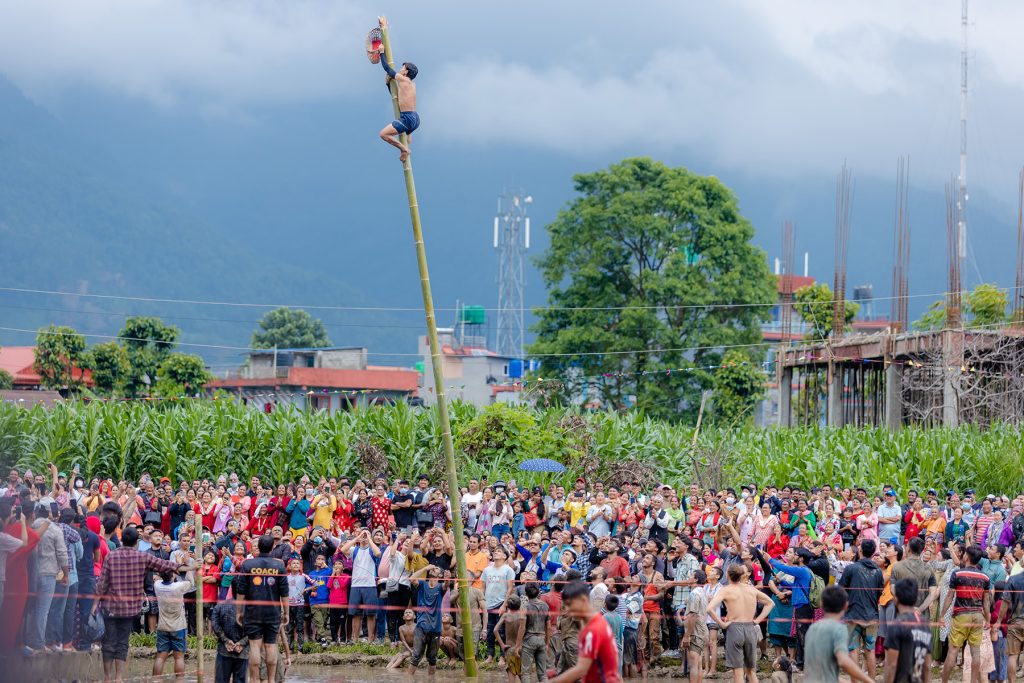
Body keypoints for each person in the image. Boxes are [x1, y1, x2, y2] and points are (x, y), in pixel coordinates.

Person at [94, 525, 188, 682]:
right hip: (129, 610)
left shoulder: (111, 556)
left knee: (109, 643)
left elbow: (102, 584)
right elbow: (164, 565)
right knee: (122, 643)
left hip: (110, 608)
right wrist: (186, 566)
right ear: (136, 541)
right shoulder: (142, 557)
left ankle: (107, 678)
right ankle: (118, 678)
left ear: (122, 540)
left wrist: (94, 605)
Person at [705, 563, 775, 683]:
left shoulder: (726, 590)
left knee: (738, 673)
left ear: (727, 575)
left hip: (734, 628)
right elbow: (770, 603)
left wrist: (722, 624)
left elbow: (709, 608)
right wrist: (757, 620)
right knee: (751, 671)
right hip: (750, 628)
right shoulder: (751, 589)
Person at [233, 534, 289, 683]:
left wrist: (238, 612)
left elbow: (240, 591)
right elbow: (284, 592)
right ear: (272, 547)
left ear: (258, 547)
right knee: (271, 646)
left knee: (254, 646)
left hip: (253, 612)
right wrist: (287, 613)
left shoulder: (247, 564)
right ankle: (271, 680)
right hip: (273, 612)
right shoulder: (279, 566)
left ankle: (255, 679)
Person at [547, 580, 621, 683]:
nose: (567, 609)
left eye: (569, 604)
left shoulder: (593, 629)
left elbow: (581, 670)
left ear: (583, 600)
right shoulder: (595, 623)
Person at [942, 545, 993, 683]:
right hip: (977, 616)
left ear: (966, 557)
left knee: (953, 651)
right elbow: (986, 601)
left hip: (961, 616)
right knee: (976, 653)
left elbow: (949, 596)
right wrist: (988, 620)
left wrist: (942, 615)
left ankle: (944, 681)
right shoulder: (985, 577)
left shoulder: (957, 574)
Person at [803, 585, 875, 683]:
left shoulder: (812, 629)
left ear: (821, 604)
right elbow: (843, 660)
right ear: (846, 605)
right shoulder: (839, 629)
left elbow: (823, 671)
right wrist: (869, 680)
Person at [838, 539, 885, 679]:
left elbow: (840, 590)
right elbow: (879, 593)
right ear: (873, 553)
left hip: (853, 615)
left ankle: (855, 681)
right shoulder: (878, 571)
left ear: (860, 551)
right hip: (872, 615)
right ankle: (871, 680)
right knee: (870, 651)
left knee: (853, 650)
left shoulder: (851, 568)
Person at [375, 16, 419, 162]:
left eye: (403, 67)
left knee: (383, 134)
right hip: (415, 118)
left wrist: (382, 52)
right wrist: (388, 84)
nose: (401, 69)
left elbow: (387, 68)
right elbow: (398, 98)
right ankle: (408, 139)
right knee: (405, 132)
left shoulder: (403, 79)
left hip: (407, 118)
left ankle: (404, 149)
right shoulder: (411, 84)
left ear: (406, 72)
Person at [883, 578, 932, 683]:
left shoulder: (896, 625)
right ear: (915, 599)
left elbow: (891, 665)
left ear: (896, 599)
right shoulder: (924, 624)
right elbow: (927, 666)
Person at [341, 528, 381, 644]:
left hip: (370, 585)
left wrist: (369, 538)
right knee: (355, 614)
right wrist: (358, 538)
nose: (365, 535)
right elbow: (343, 549)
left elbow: (378, 553)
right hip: (356, 585)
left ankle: (370, 640)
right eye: (363, 533)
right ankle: (355, 639)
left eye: (367, 533)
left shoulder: (372, 549)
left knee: (370, 614)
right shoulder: (355, 549)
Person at [153, 569, 194, 680]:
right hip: (178, 627)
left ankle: (156, 680)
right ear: (173, 576)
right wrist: (189, 568)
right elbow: (191, 582)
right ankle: (179, 680)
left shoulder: (157, 586)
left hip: (162, 626)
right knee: (179, 657)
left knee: (160, 657)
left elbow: (157, 578)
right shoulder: (178, 587)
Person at [408, 563, 445, 676]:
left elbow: (447, 585)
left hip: (435, 628)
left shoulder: (441, 587)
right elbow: (412, 579)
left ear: (440, 575)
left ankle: (431, 680)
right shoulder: (422, 584)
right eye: (433, 568)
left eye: (436, 568)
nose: (433, 568)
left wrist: (448, 578)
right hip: (421, 627)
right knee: (415, 657)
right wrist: (425, 568)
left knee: (432, 659)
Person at [211, 598, 249, 683]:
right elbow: (255, 629)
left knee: (221, 681)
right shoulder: (251, 608)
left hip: (225, 650)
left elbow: (215, 625)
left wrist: (226, 640)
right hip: (242, 652)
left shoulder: (220, 606)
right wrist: (242, 642)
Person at [520, 583, 550, 682]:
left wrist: (517, 645)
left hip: (529, 639)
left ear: (526, 593)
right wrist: (547, 643)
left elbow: (522, 628)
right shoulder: (545, 606)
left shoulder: (525, 606)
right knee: (543, 674)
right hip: (541, 640)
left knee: (525, 673)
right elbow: (548, 626)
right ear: (538, 593)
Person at [494, 594, 525, 683]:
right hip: (521, 648)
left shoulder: (505, 616)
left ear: (507, 605)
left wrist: (502, 645)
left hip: (510, 649)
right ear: (519, 605)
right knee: (523, 674)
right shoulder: (522, 616)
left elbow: (495, 630)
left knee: (511, 673)